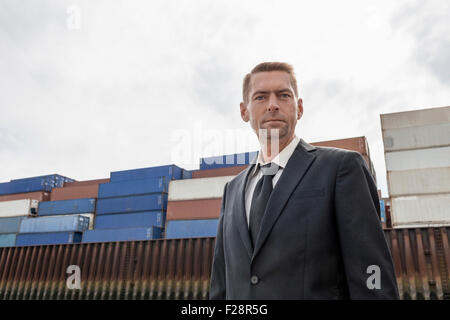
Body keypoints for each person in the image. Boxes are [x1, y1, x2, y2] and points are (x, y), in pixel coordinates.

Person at [209, 62, 399, 299]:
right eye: (260, 97)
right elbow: (220, 283)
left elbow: (372, 273)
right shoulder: (232, 190)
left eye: (283, 95)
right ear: (244, 111)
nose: (272, 105)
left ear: (299, 108)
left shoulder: (341, 168)